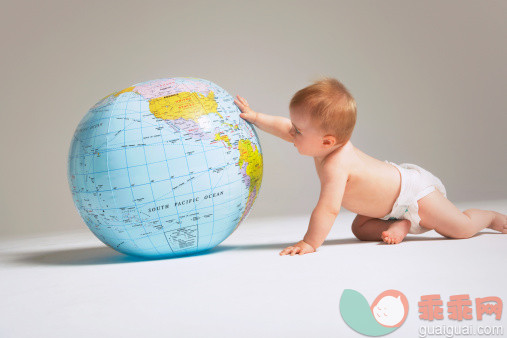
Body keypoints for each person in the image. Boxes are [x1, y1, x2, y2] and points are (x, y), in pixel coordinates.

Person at [234, 77, 506, 256]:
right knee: (360, 230)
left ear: (327, 141)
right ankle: (401, 225)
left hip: (411, 193)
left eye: (298, 131)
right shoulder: (324, 145)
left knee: (459, 229)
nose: (291, 133)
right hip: (385, 209)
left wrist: (310, 242)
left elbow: (328, 208)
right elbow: (284, 127)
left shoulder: (335, 165)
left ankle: (489, 218)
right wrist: (256, 117)